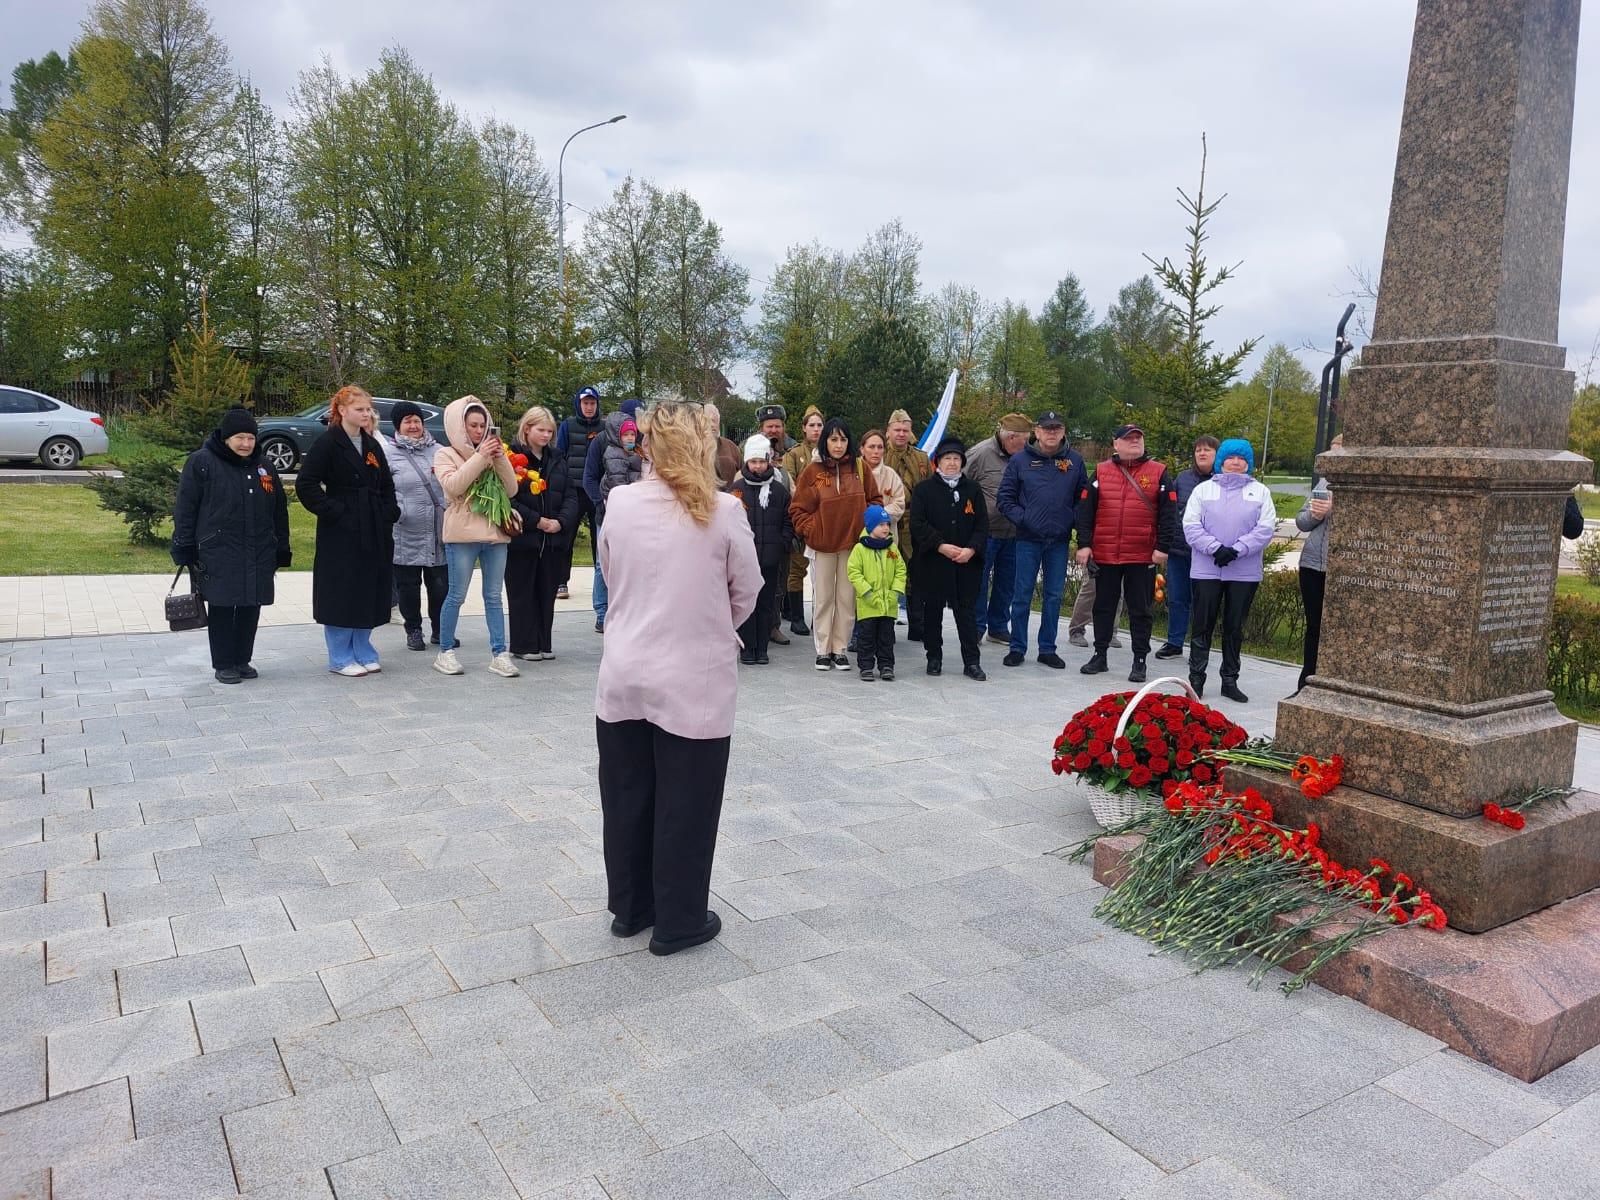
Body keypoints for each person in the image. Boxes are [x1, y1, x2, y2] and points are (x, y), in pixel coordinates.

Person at [594, 395, 763, 956]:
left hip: (625, 668)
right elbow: (747, 591)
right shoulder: (724, 510)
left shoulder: (620, 502)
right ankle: (679, 919)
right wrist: (708, 624)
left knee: (627, 794)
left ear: (650, 444)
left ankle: (631, 908)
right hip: (694, 676)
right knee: (686, 802)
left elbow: (610, 571)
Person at [171, 406, 291, 684]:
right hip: (218, 550)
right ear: (226, 438)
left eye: (251, 438)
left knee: (251, 605)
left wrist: (281, 547)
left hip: (259, 550)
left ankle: (242, 659)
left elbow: (279, 511)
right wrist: (184, 545)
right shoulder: (202, 462)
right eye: (240, 438)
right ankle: (224, 663)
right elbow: (186, 508)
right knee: (223, 606)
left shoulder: (264, 466)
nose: (246, 444)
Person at [296, 386, 399, 677]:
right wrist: (336, 511)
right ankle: (340, 656)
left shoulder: (371, 444)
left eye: (368, 409)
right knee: (342, 589)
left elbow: (386, 483)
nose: (366, 414)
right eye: (360, 409)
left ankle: (363, 649)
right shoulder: (327, 443)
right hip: (341, 530)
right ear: (342, 411)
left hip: (373, 525)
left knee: (367, 586)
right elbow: (306, 484)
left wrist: (389, 512)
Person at [1075, 423, 1179, 684]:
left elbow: (1169, 514)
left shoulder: (1159, 472)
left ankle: (1139, 660)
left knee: (1140, 610)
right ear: (1116, 444)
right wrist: (1084, 544)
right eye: (1129, 438)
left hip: (1142, 556)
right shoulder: (1101, 471)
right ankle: (1100, 655)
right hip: (1106, 553)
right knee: (1103, 607)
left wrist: (1163, 547)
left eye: (1138, 438)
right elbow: (1085, 510)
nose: (1134, 442)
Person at [432, 395, 521, 679]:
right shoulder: (445, 454)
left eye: (483, 425)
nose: (479, 430)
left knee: (494, 596)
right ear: (460, 426)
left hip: (494, 534)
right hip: (462, 535)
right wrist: (480, 457)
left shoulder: (493, 453)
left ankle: (499, 654)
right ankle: (445, 651)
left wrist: (499, 458)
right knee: (456, 595)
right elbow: (453, 487)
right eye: (473, 425)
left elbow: (511, 490)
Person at [1183, 438, 1277, 702]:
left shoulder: (1260, 492)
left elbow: (1265, 528)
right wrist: (1215, 548)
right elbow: (1191, 525)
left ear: (1249, 463)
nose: (1235, 463)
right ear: (1221, 461)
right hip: (1207, 569)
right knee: (1202, 626)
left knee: (1234, 627)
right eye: (1230, 458)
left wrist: (1237, 549)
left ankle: (1229, 680)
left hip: (1243, 572)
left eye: (1241, 458)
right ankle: (1196, 680)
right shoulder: (1203, 490)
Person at [996, 410, 1088, 670]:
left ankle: (1047, 649)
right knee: (1022, 596)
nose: (1051, 433)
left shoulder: (1074, 461)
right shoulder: (1020, 460)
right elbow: (1005, 498)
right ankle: (1017, 648)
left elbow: (1083, 499)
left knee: (1053, 597)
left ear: (1063, 432)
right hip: (1027, 540)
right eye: (1047, 429)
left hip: (1058, 541)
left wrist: (1071, 520)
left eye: (1056, 429)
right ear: (1036, 432)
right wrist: (1024, 519)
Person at [790, 418, 881, 670]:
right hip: (822, 546)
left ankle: (839, 649)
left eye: (843, 439)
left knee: (846, 598)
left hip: (852, 545)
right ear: (825, 442)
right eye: (833, 439)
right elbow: (798, 509)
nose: (838, 445)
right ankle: (823, 649)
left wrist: (865, 525)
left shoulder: (860, 468)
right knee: (823, 599)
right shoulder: (813, 471)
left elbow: (875, 500)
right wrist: (812, 529)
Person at [911, 436, 990, 680]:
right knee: (932, 612)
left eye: (956, 458)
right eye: (947, 458)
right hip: (934, 562)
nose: (952, 463)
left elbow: (982, 525)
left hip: (965, 564)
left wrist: (971, 549)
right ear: (938, 462)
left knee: (966, 614)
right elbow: (918, 524)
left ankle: (972, 661)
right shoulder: (924, 490)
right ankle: (934, 657)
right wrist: (940, 545)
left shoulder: (972, 489)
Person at [507, 406, 581, 661]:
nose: (546, 435)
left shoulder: (557, 458)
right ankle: (523, 644)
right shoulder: (511, 457)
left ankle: (543, 643)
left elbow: (570, 495)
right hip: (523, 538)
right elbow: (507, 499)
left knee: (546, 592)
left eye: (550, 431)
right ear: (527, 429)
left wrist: (561, 522)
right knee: (522, 593)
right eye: (541, 430)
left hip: (551, 539)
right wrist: (537, 521)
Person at [383, 402, 449, 652]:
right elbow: (382, 490)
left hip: (437, 531)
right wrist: (396, 512)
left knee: (440, 586)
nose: (413, 426)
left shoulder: (440, 451)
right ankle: (413, 630)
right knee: (408, 587)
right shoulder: (388, 454)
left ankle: (441, 629)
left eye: (417, 421)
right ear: (398, 425)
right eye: (407, 421)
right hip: (404, 531)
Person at [964, 413, 1030, 646]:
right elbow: (959, 485)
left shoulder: (1026, 457)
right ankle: (976, 627)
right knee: (979, 583)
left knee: (1007, 583)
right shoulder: (980, 454)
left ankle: (999, 627)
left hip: (1015, 532)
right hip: (985, 533)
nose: (1028, 444)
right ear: (1011, 438)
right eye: (1025, 440)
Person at [726, 433, 793, 666]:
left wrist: (783, 543)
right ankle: (747, 648)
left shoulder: (779, 491)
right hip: (744, 561)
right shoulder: (736, 490)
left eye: (761, 461)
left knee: (766, 604)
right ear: (747, 462)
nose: (757, 466)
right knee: (746, 604)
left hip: (770, 559)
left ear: (768, 461)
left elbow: (788, 520)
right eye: (753, 461)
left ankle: (762, 648)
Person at [1155, 435, 1219, 660]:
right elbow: (1170, 510)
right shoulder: (1182, 479)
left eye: (1207, 450)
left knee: (1203, 602)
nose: (1202, 453)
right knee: (1177, 598)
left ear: (1217, 454)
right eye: (1198, 450)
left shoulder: (1222, 481)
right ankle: (1174, 642)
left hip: (1207, 554)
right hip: (1179, 549)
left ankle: (1199, 647)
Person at [584, 398, 645, 633]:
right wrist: (600, 503)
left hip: (635, 514)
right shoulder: (602, 442)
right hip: (608, 511)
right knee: (603, 563)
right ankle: (602, 612)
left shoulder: (641, 444)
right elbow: (590, 477)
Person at [1294, 433, 1341, 694]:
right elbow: (1301, 521)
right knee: (1313, 627)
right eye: (1330, 452)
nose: (1332, 458)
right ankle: (1306, 683)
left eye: (1338, 452)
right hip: (1312, 565)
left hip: (1339, 568)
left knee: (1334, 629)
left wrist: (1333, 511)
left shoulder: (1361, 485)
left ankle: (1330, 684)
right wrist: (1315, 514)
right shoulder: (1323, 482)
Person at [884, 409, 933, 639]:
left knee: (917, 573)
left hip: (915, 520)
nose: (901, 434)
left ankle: (917, 625)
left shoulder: (921, 458)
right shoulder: (880, 454)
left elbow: (930, 490)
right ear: (888, 431)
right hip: (888, 521)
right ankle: (886, 626)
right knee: (888, 573)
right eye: (897, 430)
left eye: (905, 430)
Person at [553, 386, 603, 601]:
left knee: (599, 538)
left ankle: (601, 583)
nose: (589, 407)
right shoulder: (568, 425)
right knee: (567, 536)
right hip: (574, 489)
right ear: (579, 404)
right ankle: (561, 582)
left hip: (596, 490)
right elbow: (559, 455)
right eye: (585, 403)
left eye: (592, 403)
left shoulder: (604, 427)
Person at [847, 503, 906, 681]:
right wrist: (867, 592)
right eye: (881, 525)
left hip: (888, 605)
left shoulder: (892, 548)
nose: (886, 528)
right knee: (866, 638)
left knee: (886, 638)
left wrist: (895, 592)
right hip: (868, 605)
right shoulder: (860, 549)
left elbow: (900, 570)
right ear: (871, 526)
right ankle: (866, 666)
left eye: (887, 524)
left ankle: (886, 666)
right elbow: (854, 572)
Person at [781, 404, 825, 635]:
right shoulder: (793, 455)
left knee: (824, 572)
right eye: (812, 425)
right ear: (804, 428)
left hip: (825, 521)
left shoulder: (831, 453)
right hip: (801, 519)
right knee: (797, 568)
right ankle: (797, 617)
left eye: (820, 425)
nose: (816, 429)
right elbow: (789, 484)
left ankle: (820, 617)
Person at [757, 404, 795, 646]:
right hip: (757, 530)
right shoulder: (749, 449)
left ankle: (774, 626)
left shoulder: (793, 450)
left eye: (777, 426)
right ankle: (755, 626)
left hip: (781, 529)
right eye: (769, 426)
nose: (774, 430)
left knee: (780, 582)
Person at [600, 414, 645, 516]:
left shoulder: (634, 450)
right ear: (618, 436)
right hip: (621, 503)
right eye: (625, 435)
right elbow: (618, 482)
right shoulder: (615, 454)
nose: (630, 438)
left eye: (632, 434)